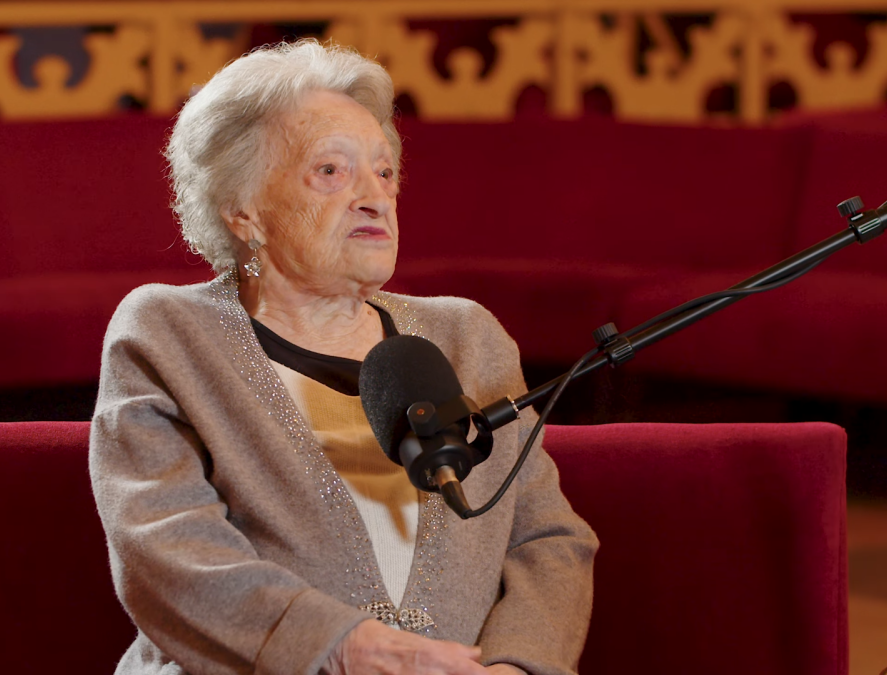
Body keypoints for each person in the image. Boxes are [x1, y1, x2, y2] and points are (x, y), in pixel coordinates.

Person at [89, 39, 598, 675]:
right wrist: (343, 649)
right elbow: (164, 547)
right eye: (331, 170)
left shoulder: (468, 336)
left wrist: (515, 666)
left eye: (384, 173)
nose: (374, 196)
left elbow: (546, 538)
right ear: (243, 209)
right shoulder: (171, 332)